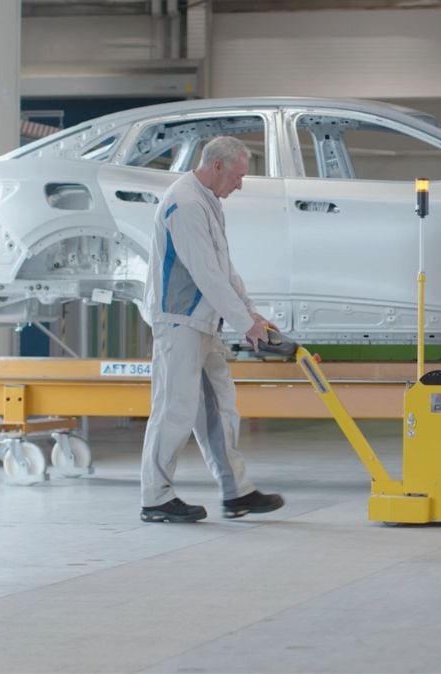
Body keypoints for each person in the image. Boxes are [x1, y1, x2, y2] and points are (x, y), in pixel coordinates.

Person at [139, 136, 284, 523]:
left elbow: (224, 269)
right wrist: (245, 324)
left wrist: (254, 317)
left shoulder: (208, 201)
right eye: (237, 176)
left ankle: (237, 492)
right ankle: (155, 498)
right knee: (174, 410)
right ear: (217, 166)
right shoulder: (185, 204)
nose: (240, 184)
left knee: (220, 410)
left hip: (204, 322)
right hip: (179, 321)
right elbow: (206, 275)